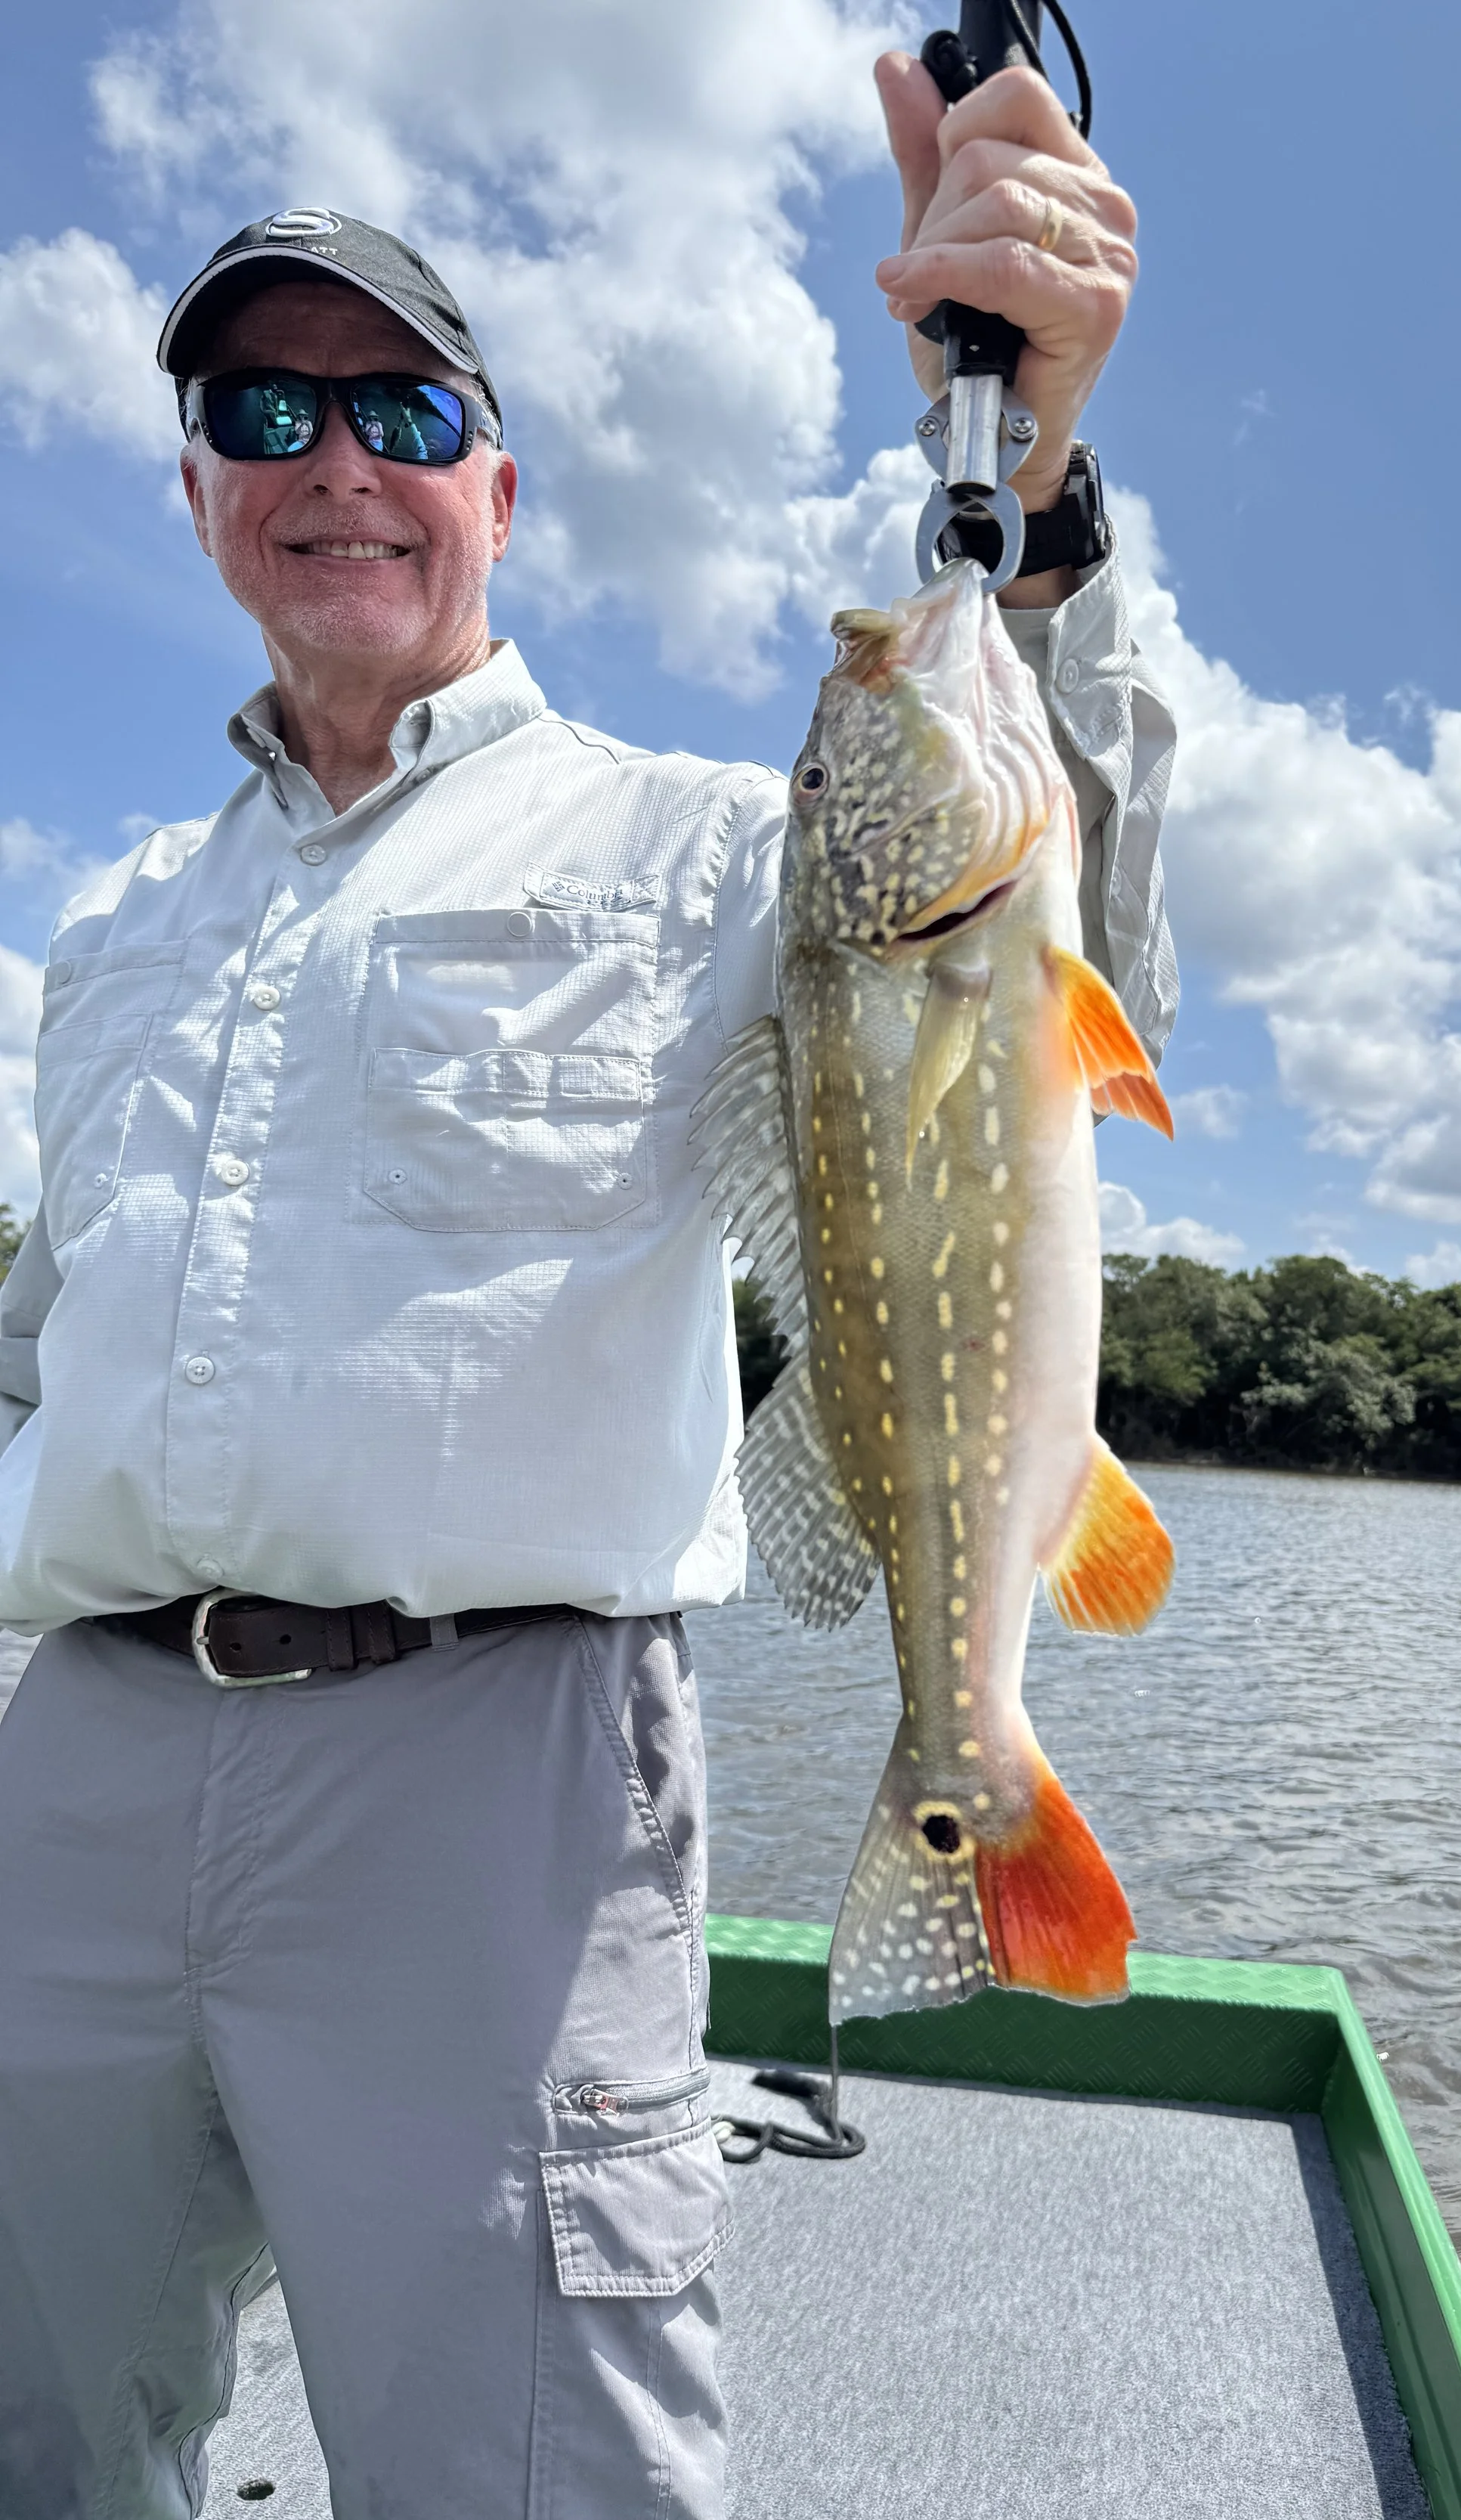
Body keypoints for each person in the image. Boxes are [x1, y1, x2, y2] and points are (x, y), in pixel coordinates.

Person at [0, 55, 1176, 2520]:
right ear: (205, 491)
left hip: (485, 1779)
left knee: (532, 2470)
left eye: (400, 404)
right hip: (74, 1764)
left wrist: (1033, 492)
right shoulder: (114, 928)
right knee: (42, 2414)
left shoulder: (701, 848)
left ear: (496, 487)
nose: (335, 455)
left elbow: (1034, 953)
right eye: (265, 405)